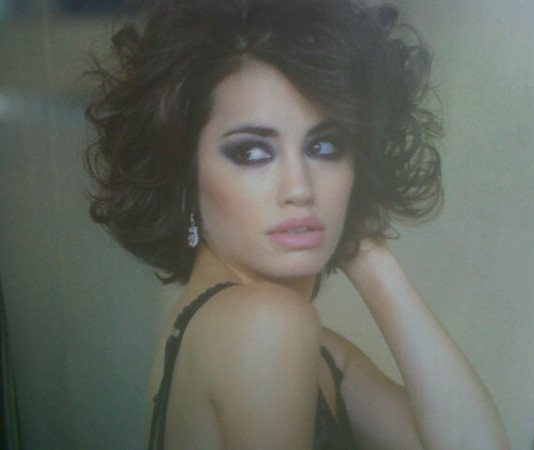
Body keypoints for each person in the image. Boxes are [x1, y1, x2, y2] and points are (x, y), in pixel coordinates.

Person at [85, 0, 510, 448]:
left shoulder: (296, 344)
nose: (300, 188)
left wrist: (369, 255)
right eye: (252, 152)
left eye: (324, 147)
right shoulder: (265, 324)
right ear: (185, 177)